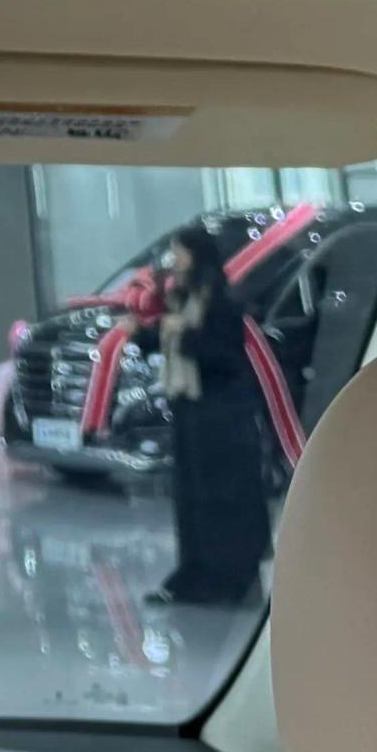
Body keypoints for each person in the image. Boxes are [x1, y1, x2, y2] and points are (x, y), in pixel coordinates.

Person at [137, 224, 276, 607]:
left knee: (223, 500)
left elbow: (222, 355)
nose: (174, 260)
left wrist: (181, 336)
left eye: (179, 252)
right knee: (193, 499)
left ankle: (227, 579)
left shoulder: (222, 302)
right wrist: (144, 334)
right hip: (192, 414)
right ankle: (193, 574)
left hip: (222, 418)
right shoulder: (184, 298)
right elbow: (168, 339)